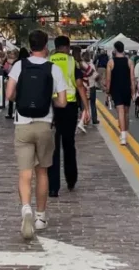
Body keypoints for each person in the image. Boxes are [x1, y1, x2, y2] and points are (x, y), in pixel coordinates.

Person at [7, 30, 67, 240]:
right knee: (42, 172)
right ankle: (41, 217)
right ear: (46, 46)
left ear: (30, 45)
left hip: (22, 124)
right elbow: (62, 102)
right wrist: (49, 99)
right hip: (44, 124)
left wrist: (20, 98)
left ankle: (26, 208)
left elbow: (9, 94)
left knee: (25, 174)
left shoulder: (19, 65)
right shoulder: (54, 69)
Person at [47, 36, 88, 197]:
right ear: (67, 47)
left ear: (56, 47)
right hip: (69, 106)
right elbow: (79, 85)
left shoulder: (49, 61)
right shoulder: (72, 62)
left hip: (52, 106)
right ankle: (71, 179)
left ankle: (53, 187)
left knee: (53, 146)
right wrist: (86, 107)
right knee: (69, 144)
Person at [106, 41, 136, 145]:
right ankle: (126, 132)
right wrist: (133, 92)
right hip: (126, 88)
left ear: (115, 49)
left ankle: (123, 136)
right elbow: (132, 79)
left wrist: (107, 91)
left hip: (116, 89)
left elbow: (108, 79)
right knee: (126, 112)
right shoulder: (129, 62)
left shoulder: (110, 62)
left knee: (120, 111)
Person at [80, 52, 99, 126]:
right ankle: (94, 119)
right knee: (93, 104)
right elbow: (96, 76)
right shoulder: (92, 65)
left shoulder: (81, 65)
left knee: (84, 104)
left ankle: (85, 120)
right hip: (92, 87)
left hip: (84, 87)